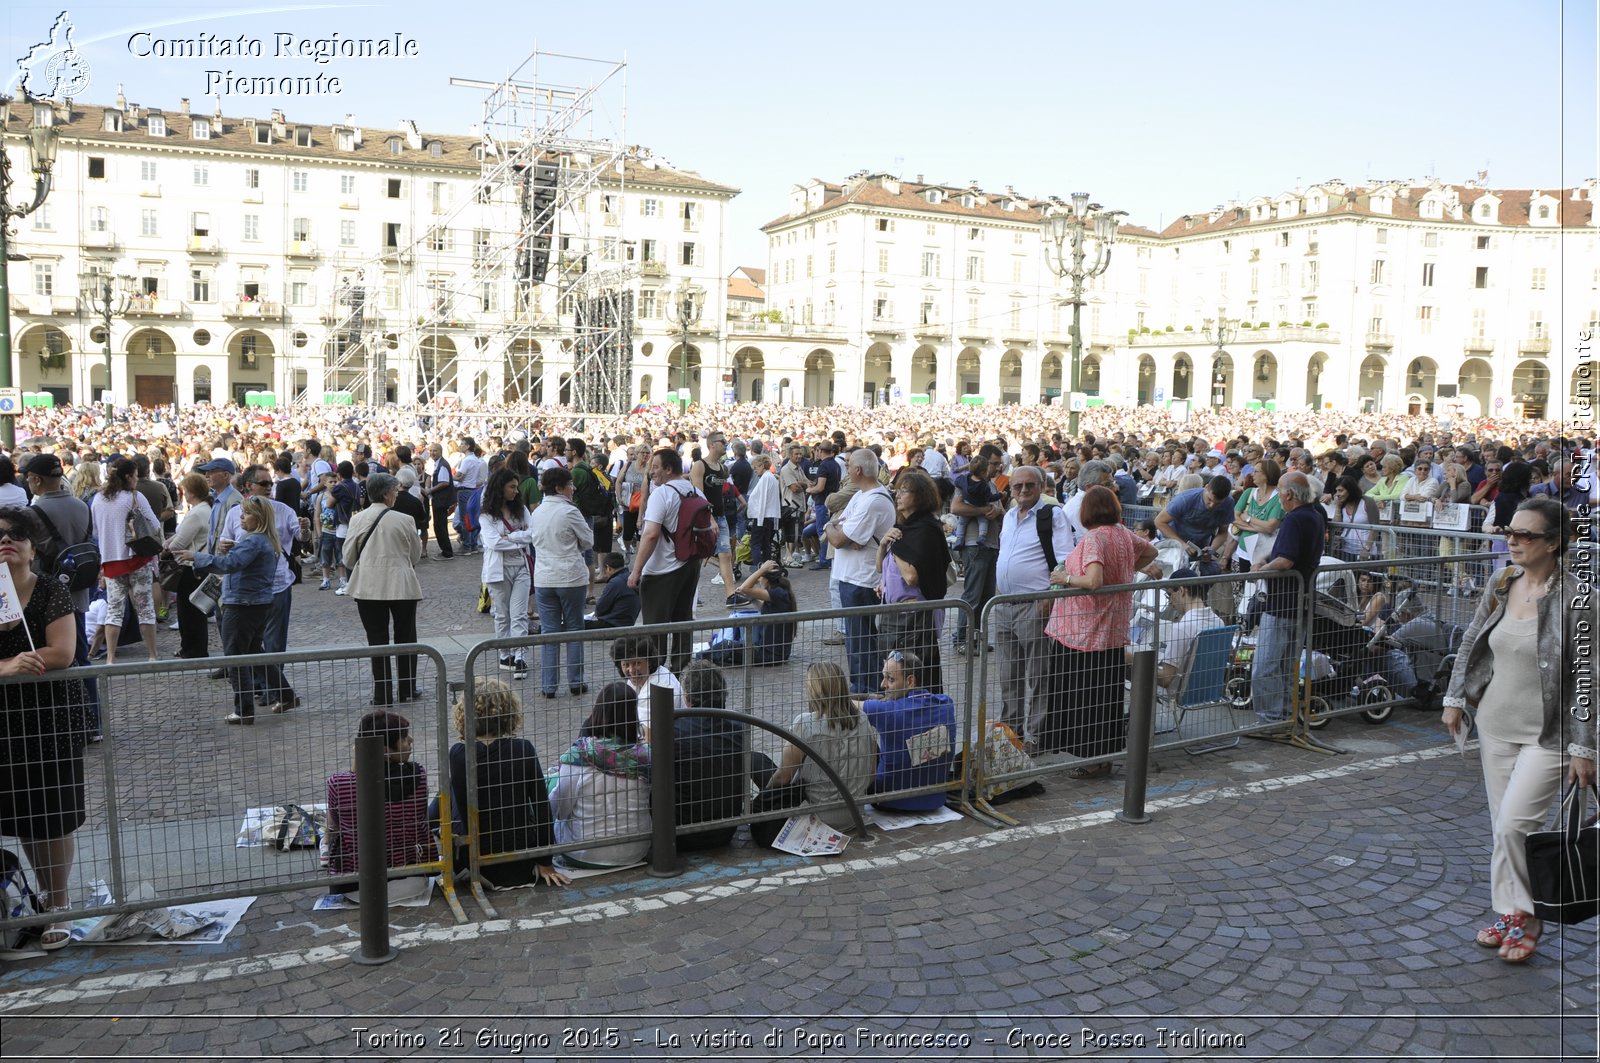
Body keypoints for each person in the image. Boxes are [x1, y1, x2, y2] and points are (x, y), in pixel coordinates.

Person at [1443, 496, 1596, 964]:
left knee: (1514, 825)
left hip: (1548, 734)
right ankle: (1511, 912)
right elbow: (1473, 636)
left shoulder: (1578, 598)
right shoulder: (1503, 579)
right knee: (1503, 827)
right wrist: (1455, 698)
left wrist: (1584, 746)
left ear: (1554, 543)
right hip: (1494, 723)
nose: (1513, 541)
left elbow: (1589, 676)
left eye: (1526, 535)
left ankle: (1527, 917)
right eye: (1510, 531)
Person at [0, 506, 90, 950]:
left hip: (49, 720)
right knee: (22, 817)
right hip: (4, 723)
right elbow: (18, 664)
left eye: (17, 534)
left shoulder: (49, 589)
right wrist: (8, 665)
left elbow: (61, 653)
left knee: (52, 818)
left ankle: (59, 902)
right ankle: (35, 897)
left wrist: (20, 665)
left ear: (33, 546)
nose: (7, 540)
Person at [1038, 486, 1159, 773]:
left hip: (1085, 630)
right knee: (1105, 695)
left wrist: (1064, 577)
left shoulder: (1094, 538)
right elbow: (1151, 551)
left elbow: (1093, 580)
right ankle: (1101, 758)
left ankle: (1093, 762)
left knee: (1086, 696)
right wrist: (1128, 571)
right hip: (1110, 628)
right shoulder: (1121, 533)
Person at [445, 678, 570, 889]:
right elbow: (541, 807)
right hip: (519, 863)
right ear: (509, 714)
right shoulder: (523, 749)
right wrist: (545, 861)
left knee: (451, 795)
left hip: (473, 864)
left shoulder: (458, 753)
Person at [174, 496, 282, 724]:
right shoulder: (262, 540)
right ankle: (285, 694)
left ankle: (244, 710)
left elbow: (230, 564)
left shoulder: (253, 541)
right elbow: (238, 562)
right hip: (254, 602)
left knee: (235, 656)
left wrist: (197, 556)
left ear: (259, 518)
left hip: (243, 604)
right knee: (253, 652)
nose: (241, 517)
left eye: (246, 513)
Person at [751, 661, 879, 847]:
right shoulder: (864, 720)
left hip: (817, 815)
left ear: (815, 691)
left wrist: (764, 798)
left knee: (756, 760)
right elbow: (872, 773)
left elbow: (783, 778)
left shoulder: (806, 723)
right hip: (854, 814)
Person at [990, 463, 1071, 737]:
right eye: (1017, 485)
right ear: (1010, 489)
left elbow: (1064, 560)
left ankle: (1037, 734)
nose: (1023, 490)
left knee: (1039, 675)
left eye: (1029, 485)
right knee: (1007, 676)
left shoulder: (1052, 516)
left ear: (1041, 486)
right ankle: (1011, 734)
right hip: (1003, 604)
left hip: (1035, 605)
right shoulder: (1010, 515)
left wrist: (1050, 597)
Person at [25, 454, 100, 736]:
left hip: (45, 596)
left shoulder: (32, 513)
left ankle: (76, 723)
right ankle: (94, 720)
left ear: (35, 479)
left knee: (61, 658)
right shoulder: (81, 505)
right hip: (78, 592)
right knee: (81, 657)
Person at [323, 710, 437, 880]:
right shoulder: (418, 775)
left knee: (331, 827)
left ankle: (325, 857)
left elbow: (334, 828)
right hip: (412, 878)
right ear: (385, 750)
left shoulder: (339, 783)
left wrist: (358, 761)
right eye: (405, 738)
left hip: (355, 883)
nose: (411, 741)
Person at [341, 472, 423, 707]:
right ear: (387, 494)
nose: (396, 495)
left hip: (368, 586)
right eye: (395, 491)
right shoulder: (404, 520)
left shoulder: (358, 519)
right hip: (401, 584)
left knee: (376, 640)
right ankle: (407, 687)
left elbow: (348, 557)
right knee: (406, 637)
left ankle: (382, 693)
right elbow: (415, 554)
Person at [550, 682, 652, 868]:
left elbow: (559, 810)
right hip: (637, 850)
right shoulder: (646, 756)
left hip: (584, 853)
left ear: (597, 712)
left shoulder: (578, 755)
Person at [1250, 472, 1326, 724]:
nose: (1278, 497)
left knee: (1267, 665)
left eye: (1280, 492)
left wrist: (1261, 569)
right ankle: (1284, 715)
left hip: (1283, 602)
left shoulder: (1296, 518)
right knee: (1286, 664)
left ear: (1289, 494)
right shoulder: (1314, 515)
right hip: (1300, 599)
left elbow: (1286, 559)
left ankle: (1272, 718)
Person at [824, 448, 897, 695]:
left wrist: (834, 530)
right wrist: (832, 528)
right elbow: (838, 529)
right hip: (851, 576)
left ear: (857, 470)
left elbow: (840, 538)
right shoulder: (860, 495)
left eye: (848, 465)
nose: (845, 469)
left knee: (861, 640)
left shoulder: (874, 499)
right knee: (856, 639)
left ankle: (867, 689)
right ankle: (865, 686)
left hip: (862, 579)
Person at [875, 467, 952, 694]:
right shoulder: (903, 528)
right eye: (897, 490)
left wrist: (897, 546)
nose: (898, 495)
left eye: (904, 491)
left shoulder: (926, 529)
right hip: (893, 615)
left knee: (914, 677)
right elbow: (880, 567)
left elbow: (911, 576)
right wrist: (883, 545)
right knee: (892, 676)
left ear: (919, 496)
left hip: (914, 618)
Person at [628, 449, 702, 674]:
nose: (652, 472)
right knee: (683, 621)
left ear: (669, 469)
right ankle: (680, 670)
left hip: (662, 569)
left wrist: (636, 570)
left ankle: (656, 675)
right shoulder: (695, 490)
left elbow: (651, 534)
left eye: (656, 467)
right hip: (690, 565)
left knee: (655, 627)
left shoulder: (662, 494)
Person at [855, 650, 956, 812]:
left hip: (889, 800)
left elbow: (842, 703)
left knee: (866, 739)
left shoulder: (885, 711)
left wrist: (869, 698)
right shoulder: (946, 704)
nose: (883, 684)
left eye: (890, 679)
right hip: (935, 800)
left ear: (910, 681)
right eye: (884, 677)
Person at [672, 661, 754, 851]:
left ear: (688, 696)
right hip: (725, 830)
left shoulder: (674, 728)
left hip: (682, 832)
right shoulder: (738, 726)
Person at [89, 457, 163, 664]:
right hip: (137, 558)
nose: (137, 480)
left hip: (111, 562)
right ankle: (152, 654)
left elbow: (95, 531)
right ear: (129, 476)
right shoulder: (134, 497)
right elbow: (154, 525)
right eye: (136, 476)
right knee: (145, 608)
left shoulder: (98, 499)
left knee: (114, 610)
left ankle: (110, 657)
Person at [529, 465, 594, 698]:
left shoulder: (537, 512)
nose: (573, 488)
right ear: (559, 488)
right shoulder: (570, 511)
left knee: (550, 631)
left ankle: (549, 685)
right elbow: (587, 540)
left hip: (544, 577)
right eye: (570, 484)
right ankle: (575, 682)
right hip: (570, 576)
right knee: (575, 628)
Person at [480, 467, 535, 680]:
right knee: (502, 614)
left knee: (519, 614)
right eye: (511, 487)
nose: (516, 491)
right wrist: (518, 538)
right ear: (500, 488)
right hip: (497, 571)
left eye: (516, 486)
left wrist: (509, 538)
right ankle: (505, 654)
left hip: (521, 567)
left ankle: (520, 655)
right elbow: (492, 542)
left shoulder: (521, 510)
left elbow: (532, 533)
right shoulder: (486, 515)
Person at [951, 443, 1005, 654]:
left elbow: (998, 508)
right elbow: (956, 507)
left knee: (986, 596)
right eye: (993, 464)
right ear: (982, 463)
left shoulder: (989, 484)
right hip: (975, 545)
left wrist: (996, 510)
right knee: (972, 596)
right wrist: (986, 509)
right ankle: (962, 639)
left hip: (990, 544)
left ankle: (977, 639)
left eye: (999, 464)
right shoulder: (966, 481)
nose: (997, 468)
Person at [1154, 569, 1225, 719]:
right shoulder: (1219, 621)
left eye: (1170, 595)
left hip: (1182, 690)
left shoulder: (1183, 627)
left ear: (1181, 590)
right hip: (1210, 687)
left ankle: (1137, 729)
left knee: (1136, 672)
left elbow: (1166, 679)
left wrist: (1136, 663)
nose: (1170, 602)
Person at [698, 559, 796, 666]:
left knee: (727, 646)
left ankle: (698, 660)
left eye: (760, 578)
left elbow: (744, 588)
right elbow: (764, 608)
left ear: (766, 580)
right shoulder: (779, 593)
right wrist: (752, 598)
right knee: (728, 647)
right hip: (769, 651)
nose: (758, 581)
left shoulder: (778, 593)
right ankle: (701, 658)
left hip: (771, 655)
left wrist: (762, 570)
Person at [610, 632, 682, 741]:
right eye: (626, 664)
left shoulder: (657, 687)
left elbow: (649, 742)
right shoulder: (643, 678)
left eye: (637, 663)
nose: (631, 670)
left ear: (649, 660)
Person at [1155, 476, 1235, 566]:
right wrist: (1182, 544)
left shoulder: (1228, 503)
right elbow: (1159, 521)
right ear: (1206, 487)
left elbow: (1223, 532)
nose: (1212, 505)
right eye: (1210, 499)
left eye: (1218, 503)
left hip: (1199, 547)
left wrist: (1212, 549)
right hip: (1173, 545)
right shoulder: (1185, 499)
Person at [744, 453, 781, 569]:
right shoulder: (770, 477)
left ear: (761, 465)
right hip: (768, 517)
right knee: (766, 545)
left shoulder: (766, 478)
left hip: (762, 517)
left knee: (755, 544)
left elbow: (762, 500)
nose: (755, 471)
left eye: (756, 468)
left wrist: (759, 520)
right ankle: (766, 567)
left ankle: (758, 567)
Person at [587, 551, 641, 630]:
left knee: (576, 623)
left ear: (608, 568)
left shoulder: (615, 582)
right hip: (627, 622)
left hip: (612, 624)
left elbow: (600, 608)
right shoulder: (630, 577)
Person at [424, 442, 456, 559]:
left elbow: (444, 482)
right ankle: (445, 550)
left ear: (440, 451)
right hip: (440, 499)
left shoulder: (442, 465)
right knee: (439, 526)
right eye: (431, 451)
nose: (432, 453)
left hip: (441, 500)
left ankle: (447, 552)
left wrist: (430, 490)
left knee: (440, 526)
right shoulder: (439, 464)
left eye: (435, 451)